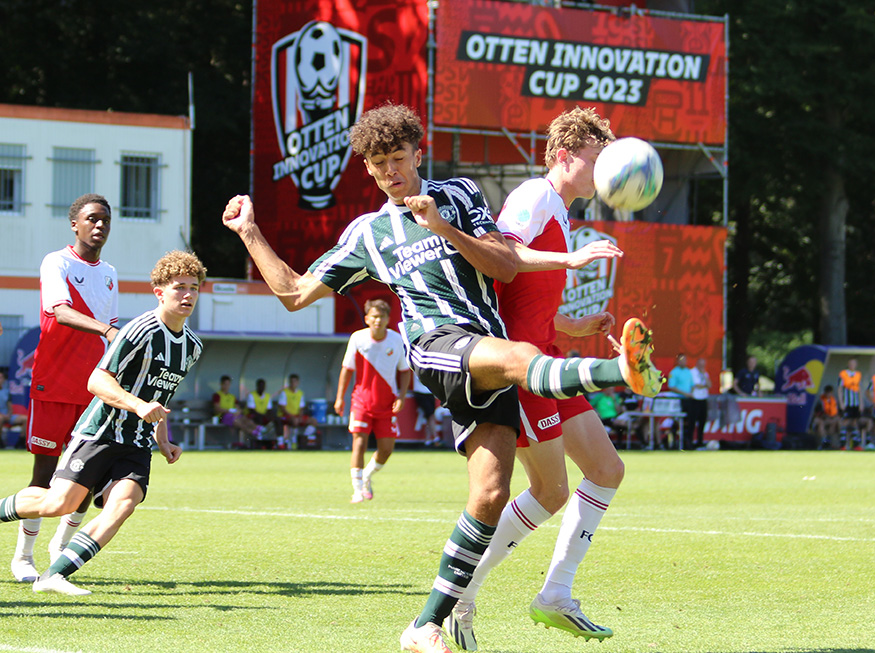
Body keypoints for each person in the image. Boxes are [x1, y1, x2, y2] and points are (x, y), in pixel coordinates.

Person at [220, 103, 661, 653]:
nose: (389, 172)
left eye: (397, 159)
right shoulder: (369, 233)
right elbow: (291, 293)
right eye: (377, 164)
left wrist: (442, 226)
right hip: (439, 347)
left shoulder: (459, 195)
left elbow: (502, 264)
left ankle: (424, 624)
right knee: (523, 359)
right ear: (368, 168)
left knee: (492, 494)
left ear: (417, 154)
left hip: (487, 349)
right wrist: (250, 231)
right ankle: (617, 370)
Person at [445, 107, 630, 650]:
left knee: (606, 469)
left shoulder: (561, 210)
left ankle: (555, 594)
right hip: (522, 366)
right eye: (596, 160)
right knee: (549, 491)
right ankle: (461, 594)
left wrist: (576, 324)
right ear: (563, 156)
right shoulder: (534, 195)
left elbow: (528, 299)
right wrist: (570, 261)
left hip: (546, 355)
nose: (602, 173)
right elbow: (502, 256)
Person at [0, 251, 205, 595]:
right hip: (100, 432)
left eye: (194, 288)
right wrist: (137, 406)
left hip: (137, 443)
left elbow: (161, 398)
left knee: (124, 503)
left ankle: (54, 575)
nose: (187, 295)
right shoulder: (138, 331)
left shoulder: (192, 347)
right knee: (58, 504)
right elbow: (97, 381)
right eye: (179, 287)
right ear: (159, 291)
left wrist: (163, 439)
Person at [11, 194, 119, 584]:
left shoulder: (109, 272)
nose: (100, 225)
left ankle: (61, 548)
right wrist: (106, 328)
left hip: (92, 389)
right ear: (75, 223)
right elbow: (60, 312)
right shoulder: (55, 262)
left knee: (85, 476)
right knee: (43, 473)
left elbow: (113, 334)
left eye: (106, 219)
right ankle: (23, 557)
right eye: (92, 218)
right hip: (53, 382)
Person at [334, 298, 411, 504]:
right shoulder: (358, 338)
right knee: (359, 443)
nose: (378, 320)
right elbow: (347, 369)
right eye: (374, 316)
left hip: (387, 404)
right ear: (367, 318)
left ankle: (367, 476)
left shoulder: (396, 340)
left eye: (382, 316)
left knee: (386, 450)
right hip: (361, 401)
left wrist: (402, 397)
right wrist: (340, 397)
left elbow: (405, 371)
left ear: (388, 319)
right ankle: (357, 490)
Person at [212, 375, 262, 445]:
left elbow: (238, 408)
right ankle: (253, 433)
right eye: (225, 384)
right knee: (237, 421)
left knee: (244, 418)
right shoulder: (217, 395)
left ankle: (259, 429)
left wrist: (238, 412)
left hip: (233, 416)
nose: (227, 386)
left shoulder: (232, 396)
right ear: (221, 384)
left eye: (228, 384)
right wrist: (228, 411)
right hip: (222, 417)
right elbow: (217, 408)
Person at [665, 353, 696, 449]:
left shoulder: (688, 371)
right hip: (678, 400)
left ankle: (688, 442)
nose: (684, 362)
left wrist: (690, 393)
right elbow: (671, 386)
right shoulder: (674, 372)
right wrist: (685, 393)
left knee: (689, 421)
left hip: (688, 400)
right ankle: (673, 441)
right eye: (682, 360)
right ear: (678, 361)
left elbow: (692, 385)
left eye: (685, 360)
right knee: (676, 421)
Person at [277, 373, 309, 449]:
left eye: (294, 381)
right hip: (285, 416)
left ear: (298, 382)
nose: (293, 383)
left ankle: (303, 437)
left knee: (313, 421)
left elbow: (301, 407)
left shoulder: (300, 393)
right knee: (295, 421)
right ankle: (292, 441)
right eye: (291, 382)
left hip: (296, 415)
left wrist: (300, 416)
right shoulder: (284, 392)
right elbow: (283, 408)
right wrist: (292, 416)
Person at [837, 357, 863, 450]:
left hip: (855, 403)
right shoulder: (843, 374)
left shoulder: (858, 374)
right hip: (846, 402)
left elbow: (859, 389)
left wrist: (861, 403)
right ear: (848, 364)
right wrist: (841, 403)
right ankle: (842, 444)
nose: (852, 365)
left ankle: (856, 444)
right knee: (845, 421)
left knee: (854, 422)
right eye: (851, 363)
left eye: (854, 363)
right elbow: (839, 389)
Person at [246, 378, 276, 449]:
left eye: (263, 386)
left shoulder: (267, 396)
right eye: (260, 386)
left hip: (263, 416)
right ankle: (259, 439)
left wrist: (269, 416)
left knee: (276, 420)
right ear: (257, 386)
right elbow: (251, 410)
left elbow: (269, 409)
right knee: (259, 418)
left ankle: (277, 442)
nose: (262, 388)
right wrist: (263, 416)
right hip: (253, 416)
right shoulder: (251, 395)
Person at [689, 357, 711, 449]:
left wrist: (704, 376)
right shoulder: (692, 372)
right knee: (692, 421)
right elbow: (695, 385)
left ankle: (700, 441)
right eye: (701, 364)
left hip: (703, 398)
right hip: (695, 398)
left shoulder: (705, 373)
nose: (702, 366)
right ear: (697, 363)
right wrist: (704, 385)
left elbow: (709, 385)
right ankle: (690, 441)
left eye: (704, 364)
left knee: (702, 421)